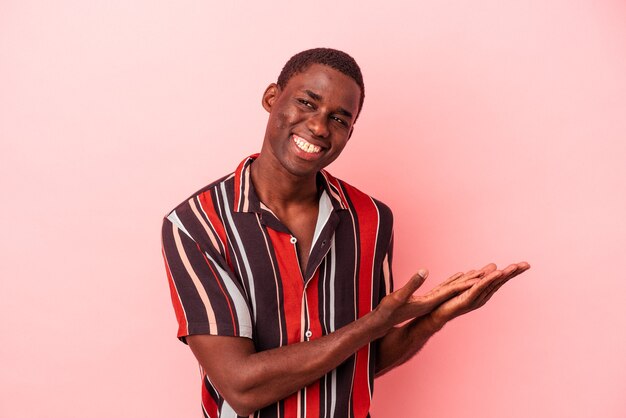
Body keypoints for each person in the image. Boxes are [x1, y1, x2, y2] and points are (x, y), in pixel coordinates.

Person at [161, 48, 530, 418]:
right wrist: (375, 322)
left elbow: (364, 359)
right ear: (272, 97)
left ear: (350, 132)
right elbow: (241, 387)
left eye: (339, 119)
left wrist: (434, 318)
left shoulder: (371, 217)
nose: (320, 127)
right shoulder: (195, 225)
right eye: (307, 103)